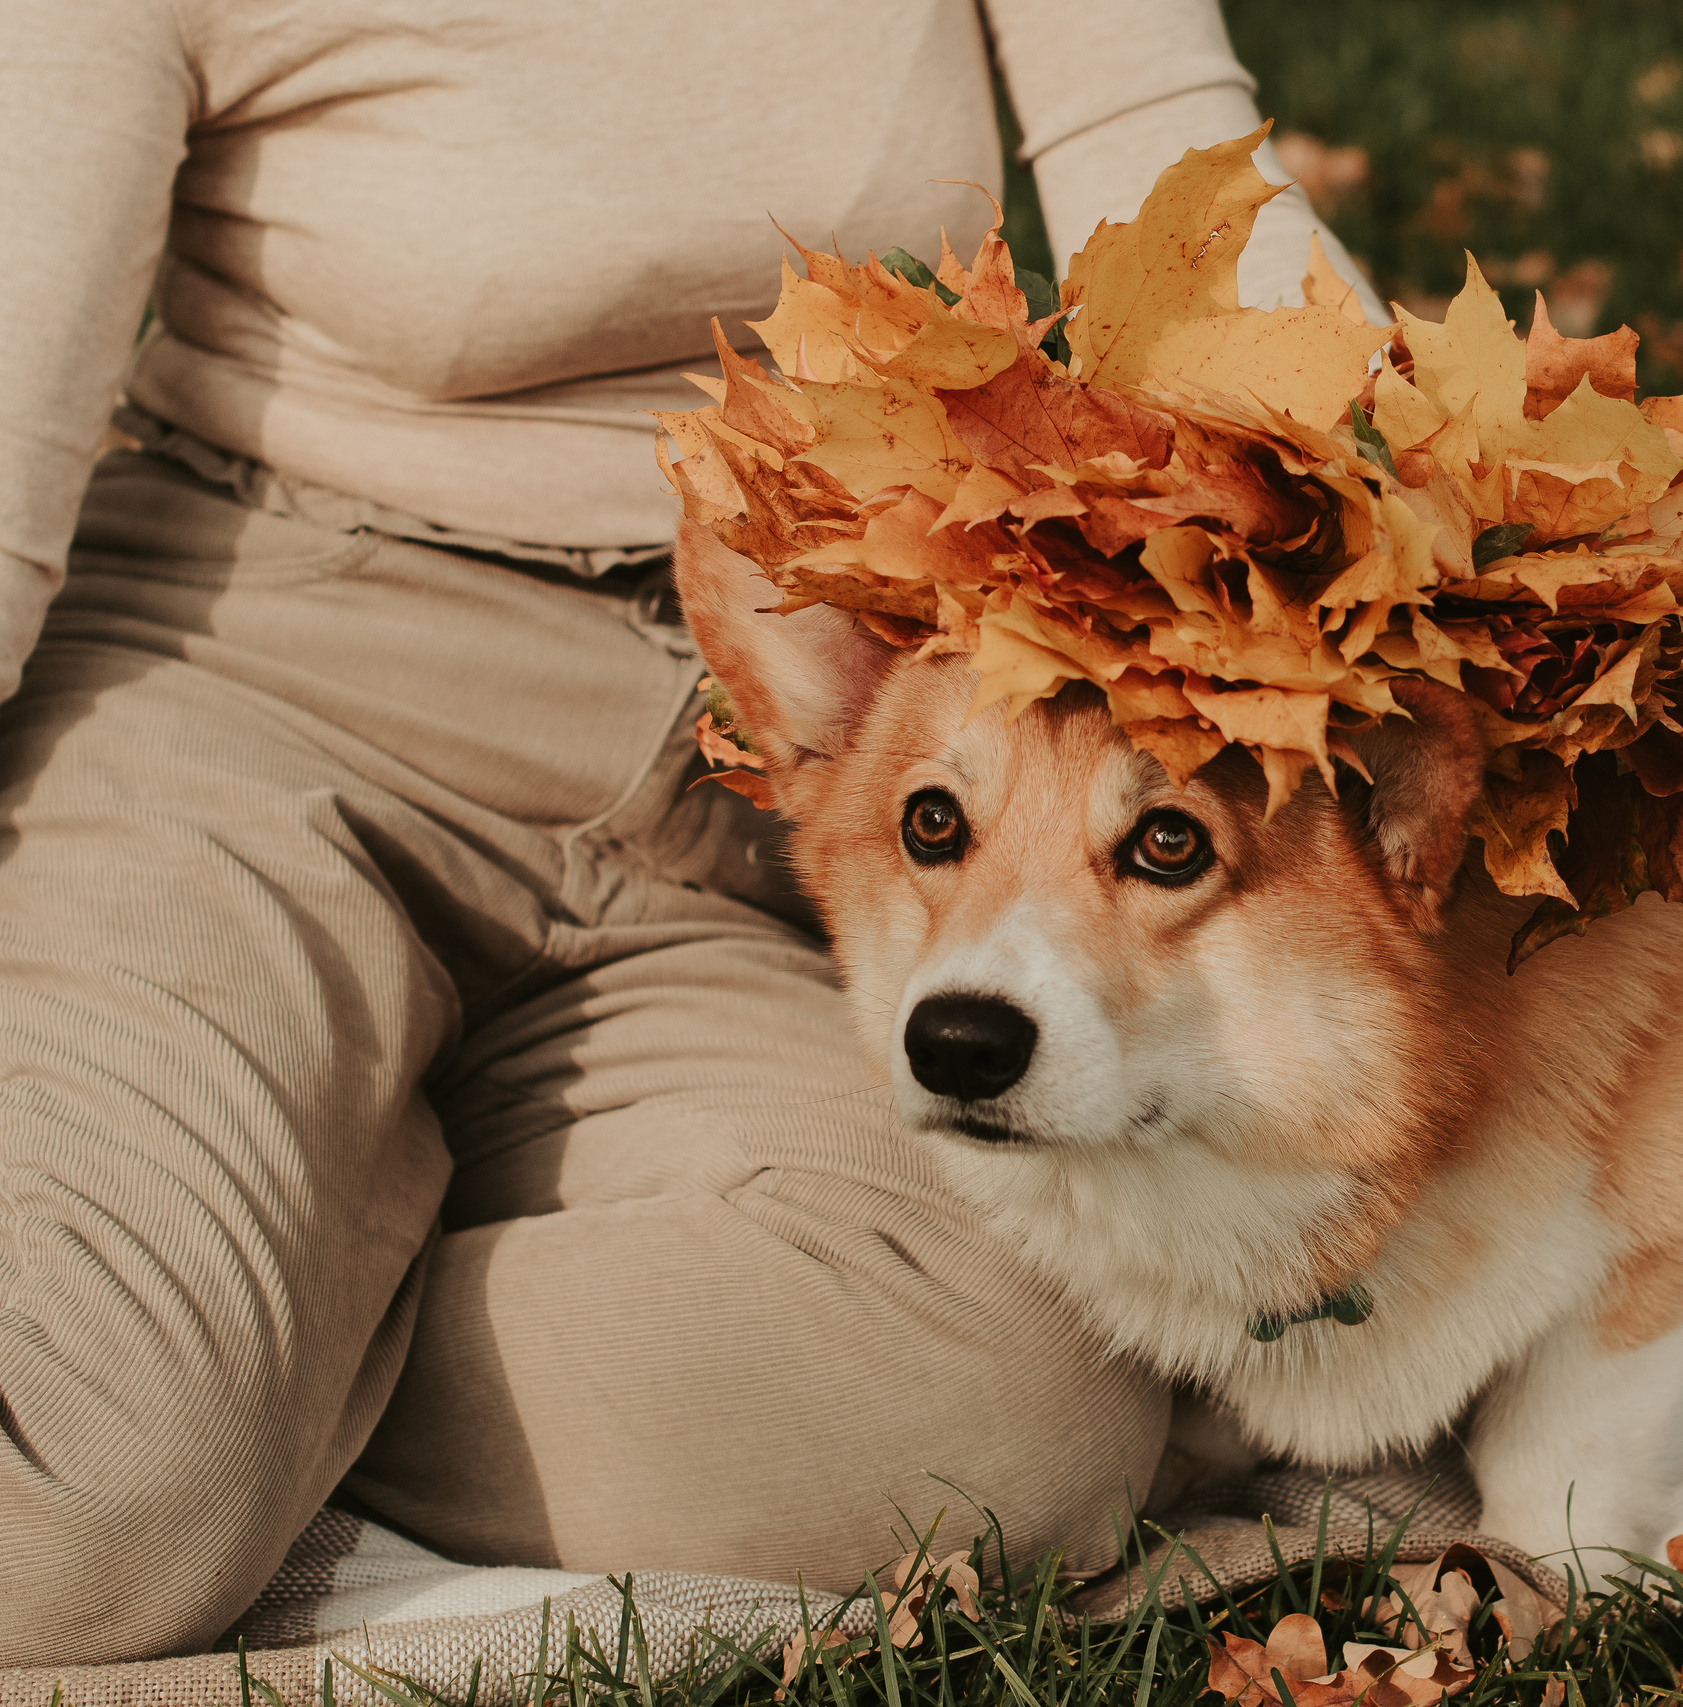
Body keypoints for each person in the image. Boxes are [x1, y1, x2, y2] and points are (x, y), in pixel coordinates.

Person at [0, 0, 1382, 1668]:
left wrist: (1416, 570)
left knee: (1011, 1420)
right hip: (260, 683)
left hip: (782, 749)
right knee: (75, 1518)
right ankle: (189, 1358)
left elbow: (1189, 203)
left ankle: (265, 1323)